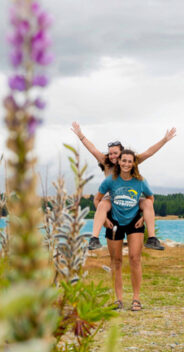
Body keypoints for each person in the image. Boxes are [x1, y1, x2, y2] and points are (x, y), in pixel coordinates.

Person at [70, 122, 175, 251]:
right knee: (103, 203)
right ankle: (94, 239)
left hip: (131, 198)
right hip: (112, 197)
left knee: (147, 202)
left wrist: (164, 140)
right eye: (110, 153)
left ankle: (152, 239)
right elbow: (93, 150)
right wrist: (81, 136)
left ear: (122, 153)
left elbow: (148, 153)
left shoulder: (130, 161)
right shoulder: (107, 163)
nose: (112, 156)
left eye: (115, 153)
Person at [94, 149, 153, 311]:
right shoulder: (110, 180)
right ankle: (118, 299)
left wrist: (143, 218)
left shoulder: (140, 181)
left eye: (129, 161)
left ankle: (136, 299)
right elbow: (97, 199)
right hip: (114, 222)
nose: (126, 164)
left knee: (135, 259)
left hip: (134, 222)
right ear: (118, 162)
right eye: (124, 160)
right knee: (116, 261)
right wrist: (105, 219)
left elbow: (150, 198)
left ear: (134, 163)